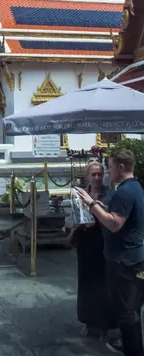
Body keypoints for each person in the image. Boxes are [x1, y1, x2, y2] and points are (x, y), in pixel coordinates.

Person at [76, 148, 144, 356]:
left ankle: (133, 350)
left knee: (127, 313)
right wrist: (102, 206)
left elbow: (114, 224)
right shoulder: (136, 188)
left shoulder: (124, 191)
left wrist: (91, 204)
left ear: (121, 167)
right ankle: (130, 345)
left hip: (125, 261)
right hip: (133, 257)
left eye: (110, 167)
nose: (108, 172)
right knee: (131, 310)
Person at [68, 160, 114, 338]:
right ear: (87, 175)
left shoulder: (108, 195)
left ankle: (105, 325)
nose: (96, 178)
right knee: (86, 283)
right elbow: (75, 215)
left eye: (99, 174)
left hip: (102, 242)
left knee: (103, 284)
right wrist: (75, 228)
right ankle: (87, 320)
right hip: (85, 243)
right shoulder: (81, 194)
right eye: (93, 174)